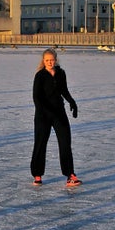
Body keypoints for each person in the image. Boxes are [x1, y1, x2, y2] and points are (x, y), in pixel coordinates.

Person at [30, 48, 81, 187]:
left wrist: (72, 102)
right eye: (47, 60)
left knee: (65, 143)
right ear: (43, 61)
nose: (49, 62)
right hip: (43, 115)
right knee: (40, 144)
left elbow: (64, 90)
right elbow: (36, 97)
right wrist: (44, 111)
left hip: (59, 113)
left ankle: (70, 174)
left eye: (51, 60)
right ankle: (37, 174)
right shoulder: (40, 76)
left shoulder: (61, 73)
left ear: (55, 60)